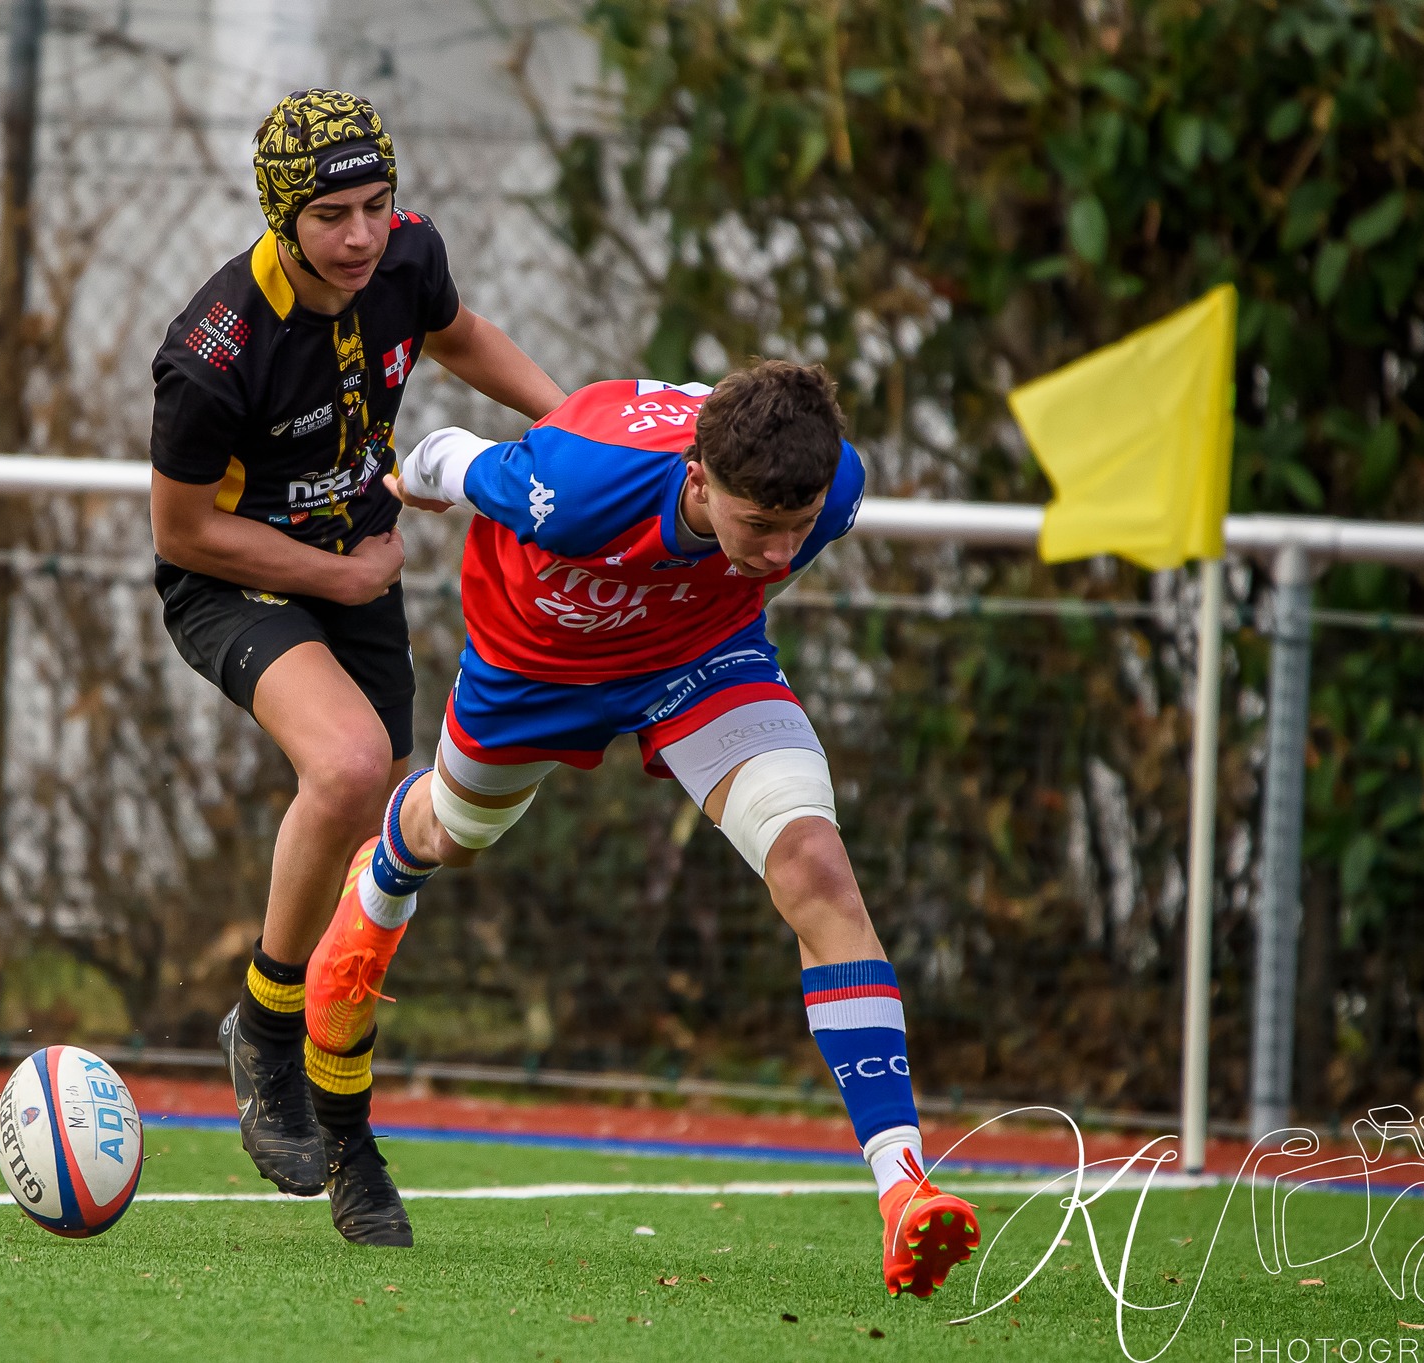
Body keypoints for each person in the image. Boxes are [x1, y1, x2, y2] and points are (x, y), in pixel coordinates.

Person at [303, 361, 981, 1296]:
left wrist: (752, 553)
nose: (783, 553)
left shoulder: (835, 485)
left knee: (815, 867)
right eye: (758, 527)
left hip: (699, 659)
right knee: (453, 831)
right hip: (532, 667)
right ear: (698, 479)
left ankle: (904, 1186)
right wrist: (403, 483)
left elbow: (780, 534)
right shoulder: (581, 481)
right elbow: (447, 457)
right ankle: (384, 869)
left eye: (798, 527)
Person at [147, 88, 565, 1247]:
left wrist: (574, 421)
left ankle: (346, 1137)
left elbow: (459, 335)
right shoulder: (209, 352)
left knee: (392, 849)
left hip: (355, 571)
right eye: (332, 213)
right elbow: (181, 534)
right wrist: (335, 577)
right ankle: (265, 1030)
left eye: (376, 205)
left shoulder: (404, 258)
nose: (362, 235)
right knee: (343, 768)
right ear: (280, 216)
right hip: (234, 582)